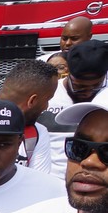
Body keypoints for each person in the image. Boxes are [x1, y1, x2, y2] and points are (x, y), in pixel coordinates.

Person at [37, 39, 108, 174]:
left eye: (96, 86)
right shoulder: (47, 94)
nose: (88, 92)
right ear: (67, 72)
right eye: (79, 87)